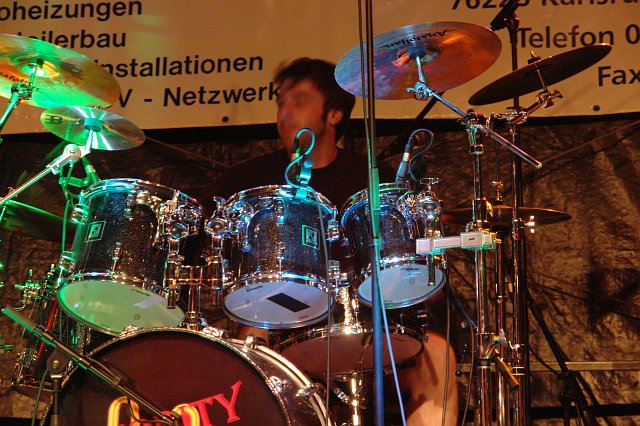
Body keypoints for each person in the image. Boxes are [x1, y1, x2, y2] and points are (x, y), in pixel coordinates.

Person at [206, 57, 459, 425]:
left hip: (366, 322)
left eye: (298, 101)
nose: (284, 113)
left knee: (438, 355)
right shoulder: (247, 181)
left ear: (334, 114)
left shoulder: (371, 177)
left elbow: (403, 267)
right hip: (278, 323)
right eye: (280, 102)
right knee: (251, 337)